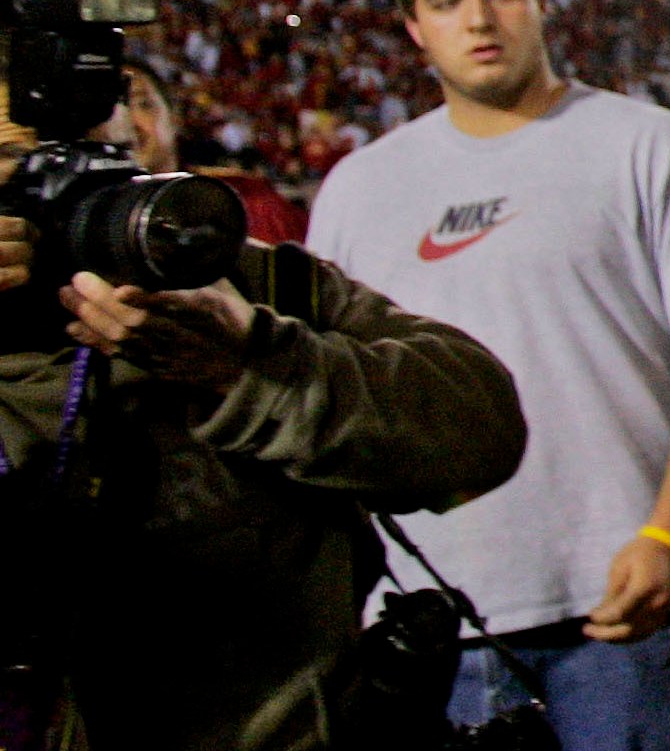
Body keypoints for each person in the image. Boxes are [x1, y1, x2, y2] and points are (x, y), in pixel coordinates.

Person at [306, 0, 670, 750]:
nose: (479, 19)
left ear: (540, 2)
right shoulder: (357, 187)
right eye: (447, 1)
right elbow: (339, 396)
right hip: (424, 620)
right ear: (414, 27)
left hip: (625, 604)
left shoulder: (644, 145)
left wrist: (669, 529)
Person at [0, 67, 528, 751]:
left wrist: (249, 369)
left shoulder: (251, 284)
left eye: (101, 155)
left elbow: (481, 433)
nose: (74, 189)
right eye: (27, 164)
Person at [93, 54, 311, 244]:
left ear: (174, 117)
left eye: (142, 104)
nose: (123, 121)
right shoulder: (80, 225)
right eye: (107, 107)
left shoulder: (247, 203)